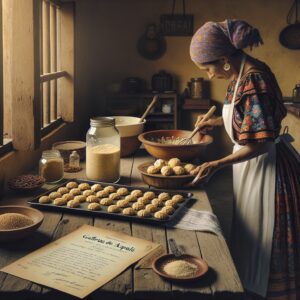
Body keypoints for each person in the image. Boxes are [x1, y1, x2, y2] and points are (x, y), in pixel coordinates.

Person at [189, 20, 300, 300]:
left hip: (268, 172)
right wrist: (216, 122)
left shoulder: (255, 80)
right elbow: (246, 117)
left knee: (265, 242)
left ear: (224, 60)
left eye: (208, 68)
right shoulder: (238, 75)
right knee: (250, 238)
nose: (209, 75)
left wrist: (216, 164)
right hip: (249, 169)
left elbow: (260, 144)